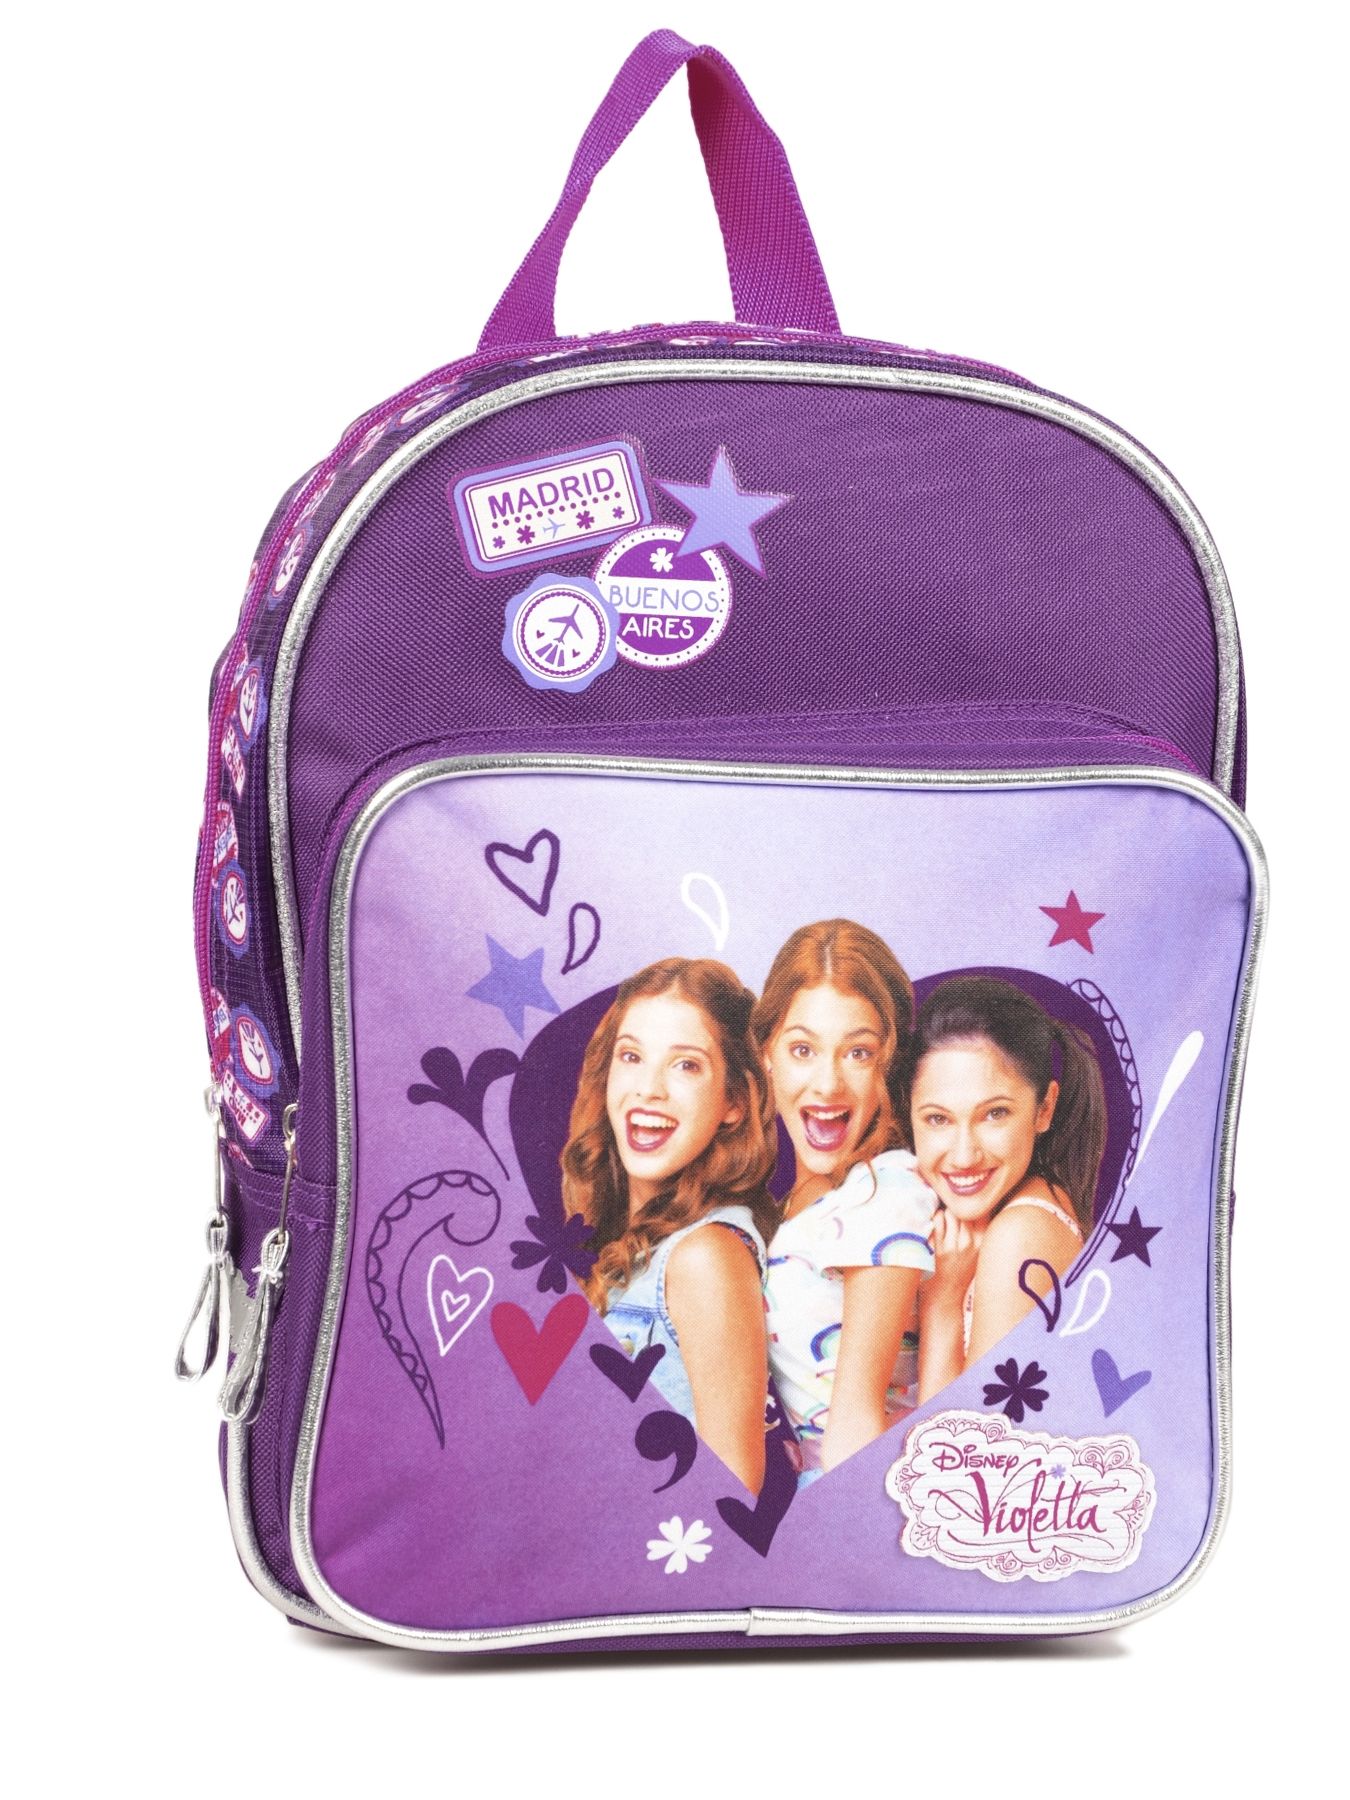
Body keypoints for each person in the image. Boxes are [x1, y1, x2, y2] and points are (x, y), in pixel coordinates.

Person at [562, 958, 777, 1495]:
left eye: (685, 1065)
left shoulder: (706, 1257)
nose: (649, 1089)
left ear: (734, 1101)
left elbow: (731, 1495)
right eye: (632, 1056)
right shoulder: (639, 1247)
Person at [752, 921, 936, 1480]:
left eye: (858, 1052)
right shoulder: (798, 1205)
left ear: (889, 1062)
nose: (828, 1084)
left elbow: (855, 1425)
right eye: (803, 1049)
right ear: (766, 1054)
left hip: (854, 1491)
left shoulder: (886, 1189)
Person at [907, 976, 1107, 1401]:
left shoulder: (1019, 1234)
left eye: (994, 1114)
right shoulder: (1031, 1204)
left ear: (1044, 1108)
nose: (964, 1155)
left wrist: (942, 1302)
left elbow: (959, 1440)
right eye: (938, 1119)